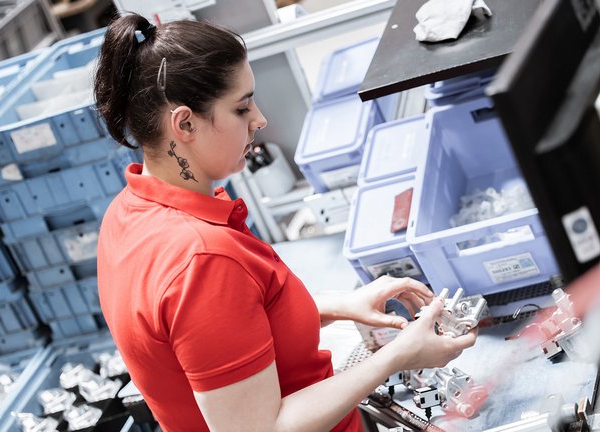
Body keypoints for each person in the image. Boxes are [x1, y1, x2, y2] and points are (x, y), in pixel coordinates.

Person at [95, 13, 477, 432]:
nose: (259, 120)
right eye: (241, 108)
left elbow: (213, 338)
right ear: (184, 123)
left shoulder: (128, 212)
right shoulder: (202, 261)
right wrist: (400, 354)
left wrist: (333, 307)